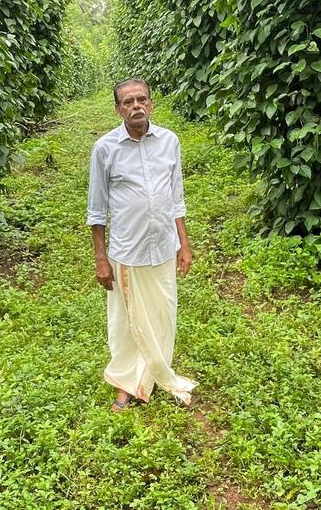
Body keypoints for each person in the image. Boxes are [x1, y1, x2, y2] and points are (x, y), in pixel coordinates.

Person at [87, 78, 196, 412]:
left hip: (162, 247)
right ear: (118, 108)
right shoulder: (105, 149)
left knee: (162, 314)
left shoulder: (169, 142)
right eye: (128, 102)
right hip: (127, 251)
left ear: (150, 103)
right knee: (128, 320)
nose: (136, 106)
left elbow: (176, 198)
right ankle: (127, 383)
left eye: (141, 100)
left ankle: (150, 375)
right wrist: (101, 258)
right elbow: (97, 209)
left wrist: (184, 244)